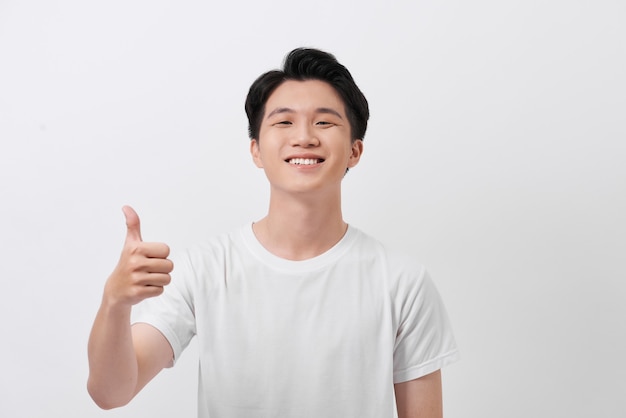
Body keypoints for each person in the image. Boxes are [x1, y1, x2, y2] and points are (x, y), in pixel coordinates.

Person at [87, 47, 459, 418]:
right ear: (256, 150)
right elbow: (111, 392)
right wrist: (115, 304)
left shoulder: (401, 283)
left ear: (354, 151)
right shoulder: (205, 269)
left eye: (324, 122)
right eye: (284, 122)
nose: (304, 137)